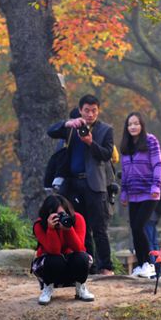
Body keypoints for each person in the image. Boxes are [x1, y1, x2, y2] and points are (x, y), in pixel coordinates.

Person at [47, 94, 116, 275]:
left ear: (98, 111)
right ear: (80, 110)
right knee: (81, 227)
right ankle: (88, 265)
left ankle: (106, 266)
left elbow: (107, 155)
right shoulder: (73, 128)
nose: (90, 114)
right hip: (74, 183)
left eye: (94, 111)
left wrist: (91, 143)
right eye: (87, 110)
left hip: (95, 184)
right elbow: (51, 132)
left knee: (99, 228)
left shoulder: (105, 130)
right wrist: (66, 124)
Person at [119, 112, 161, 279]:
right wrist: (124, 192)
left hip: (149, 192)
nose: (133, 127)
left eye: (136, 123)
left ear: (142, 125)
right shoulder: (126, 145)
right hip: (133, 193)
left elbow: (158, 163)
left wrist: (156, 184)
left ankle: (149, 264)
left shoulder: (151, 140)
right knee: (135, 229)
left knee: (139, 226)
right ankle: (141, 264)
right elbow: (125, 171)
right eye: (130, 124)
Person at [32, 194, 94, 305]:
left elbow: (79, 247)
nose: (60, 218)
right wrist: (51, 229)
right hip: (50, 265)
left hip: (71, 261)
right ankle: (48, 287)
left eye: (63, 214)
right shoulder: (39, 225)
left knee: (82, 257)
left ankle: (80, 287)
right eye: (56, 215)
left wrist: (68, 229)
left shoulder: (77, 219)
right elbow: (53, 250)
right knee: (54, 259)